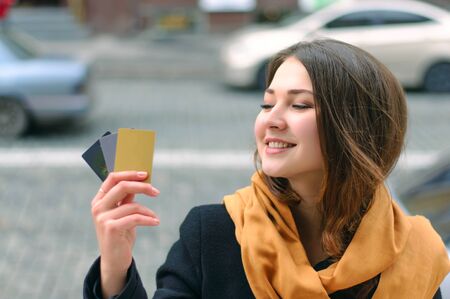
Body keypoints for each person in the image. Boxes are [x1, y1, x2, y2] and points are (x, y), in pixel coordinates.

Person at [83, 39, 450, 299]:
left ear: (356, 127)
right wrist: (115, 265)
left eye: (300, 105)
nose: (270, 121)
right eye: (267, 103)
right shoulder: (212, 233)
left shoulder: (414, 252)